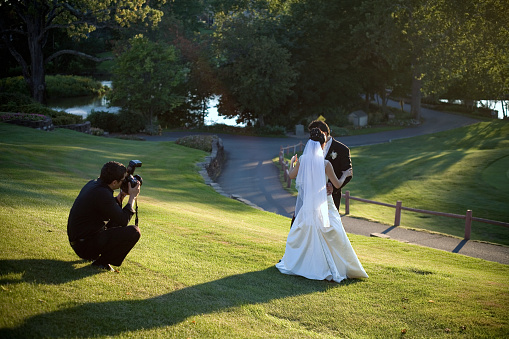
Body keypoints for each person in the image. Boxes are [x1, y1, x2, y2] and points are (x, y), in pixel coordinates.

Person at [276, 128, 368, 283]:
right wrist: (345, 174)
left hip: (309, 204)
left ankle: (305, 264)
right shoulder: (326, 164)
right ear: (323, 145)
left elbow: (291, 175)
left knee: (306, 232)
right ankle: (333, 266)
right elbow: (337, 184)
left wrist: (292, 162)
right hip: (325, 202)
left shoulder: (303, 160)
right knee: (333, 232)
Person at [67, 161, 141, 272]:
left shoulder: (95, 184)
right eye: (122, 180)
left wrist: (122, 195)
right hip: (84, 246)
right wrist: (132, 198)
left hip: (80, 241)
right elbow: (123, 220)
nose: (124, 182)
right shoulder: (103, 193)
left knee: (116, 220)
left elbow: (110, 209)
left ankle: (100, 258)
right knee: (134, 232)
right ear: (114, 182)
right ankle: (101, 263)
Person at [308, 120, 352, 211]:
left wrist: (333, 187)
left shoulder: (342, 149)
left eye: (316, 133)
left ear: (324, 133)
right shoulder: (311, 147)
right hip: (312, 196)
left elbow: (348, 172)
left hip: (331, 196)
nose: (313, 136)